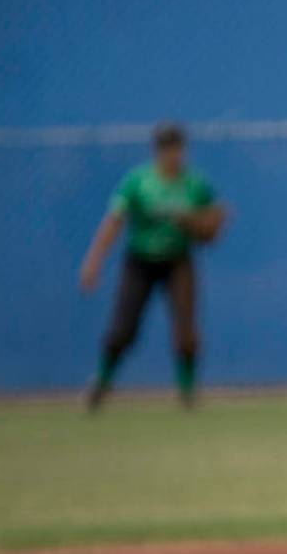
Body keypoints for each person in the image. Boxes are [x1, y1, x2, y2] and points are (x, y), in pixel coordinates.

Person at [79, 123, 225, 410]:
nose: (173, 154)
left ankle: (187, 391)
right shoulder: (139, 181)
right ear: (157, 151)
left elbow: (214, 223)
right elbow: (114, 221)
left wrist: (196, 222)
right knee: (123, 328)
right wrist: (93, 261)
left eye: (177, 148)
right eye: (166, 148)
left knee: (186, 328)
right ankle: (102, 381)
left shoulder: (194, 183)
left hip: (177, 260)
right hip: (140, 261)